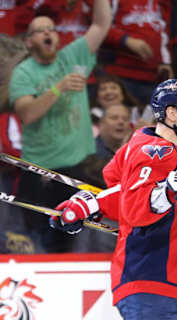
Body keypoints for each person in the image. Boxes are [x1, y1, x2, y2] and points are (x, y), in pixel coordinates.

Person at [50, 79, 177, 319]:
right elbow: (137, 208)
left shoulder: (174, 150)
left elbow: (126, 190)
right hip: (152, 283)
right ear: (173, 114)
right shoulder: (156, 151)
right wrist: (176, 187)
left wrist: (93, 203)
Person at [8, 0, 111, 253]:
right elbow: (27, 114)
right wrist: (58, 88)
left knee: (80, 234)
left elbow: (101, 24)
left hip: (79, 166)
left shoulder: (72, 56)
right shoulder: (24, 73)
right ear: (29, 41)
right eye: (40, 30)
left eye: (51, 29)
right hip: (43, 170)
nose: (47, 33)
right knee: (40, 239)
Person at [101, 0, 173, 106]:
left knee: (148, 119)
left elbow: (164, 31)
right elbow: (100, 26)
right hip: (120, 76)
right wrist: (125, 40)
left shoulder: (161, 3)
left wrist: (165, 62)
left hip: (152, 77)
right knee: (120, 118)